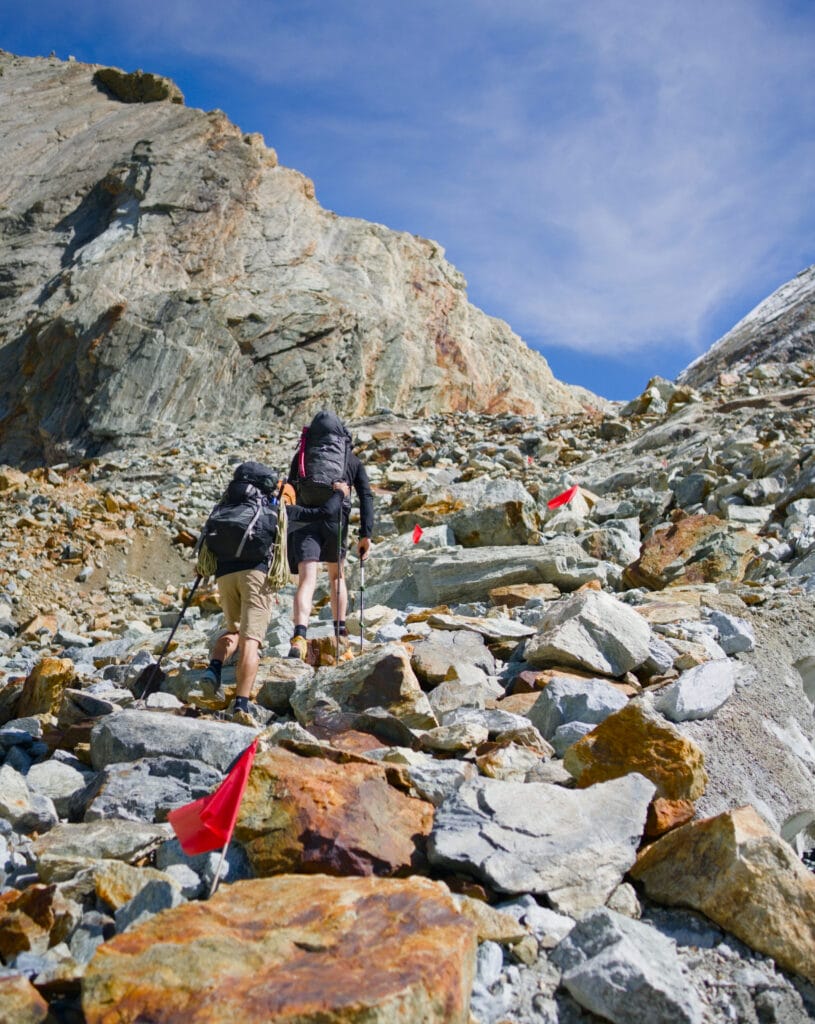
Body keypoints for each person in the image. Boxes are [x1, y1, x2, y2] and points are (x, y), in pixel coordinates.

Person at [200, 462, 350, 716]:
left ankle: (213, 668)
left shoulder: (224, 508)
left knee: (233, 630)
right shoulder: (274, 509)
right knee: (251, 641)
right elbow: (323, 513)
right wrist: (339, 493)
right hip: (255, 576)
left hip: (224, 576)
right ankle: (241, 704)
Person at [286, 411, 374, 659]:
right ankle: (340, 633)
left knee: (307, 580)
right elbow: (366, 495)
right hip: (336, 521)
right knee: (336, 576)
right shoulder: (349, 459)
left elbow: (290, 489)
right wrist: (365, 534)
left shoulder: (303, 456)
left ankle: (299, 636)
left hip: (304, 520)